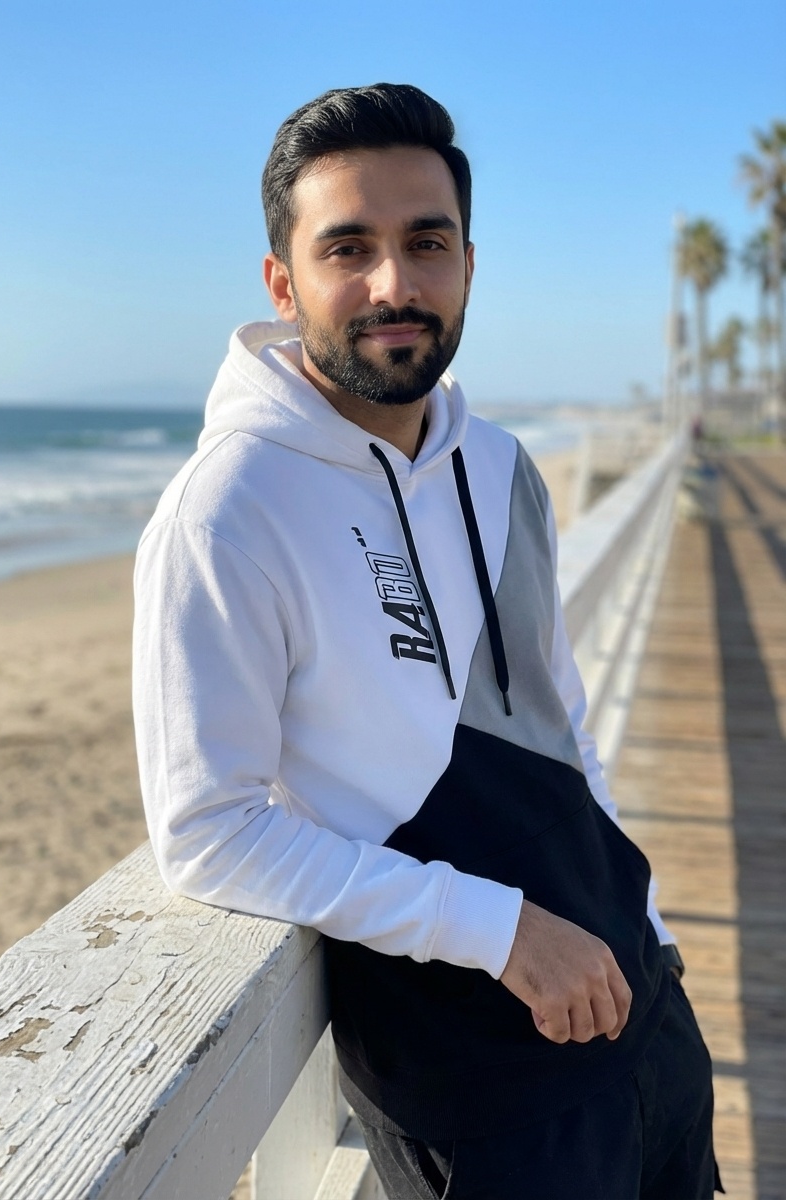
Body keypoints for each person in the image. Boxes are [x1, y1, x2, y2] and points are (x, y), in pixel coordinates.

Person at [133, 83, 720, 1199]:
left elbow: (562, 721)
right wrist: (496, 931)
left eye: (425, 243)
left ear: (466, 264)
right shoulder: (226, 512)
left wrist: (639, 921)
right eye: (346, 247)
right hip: (476, 1097)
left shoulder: (499, 467)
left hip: (640, 1015)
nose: (392, 284)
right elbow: (208, 833)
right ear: (281, 279)